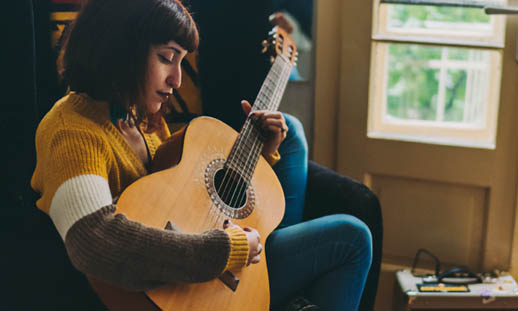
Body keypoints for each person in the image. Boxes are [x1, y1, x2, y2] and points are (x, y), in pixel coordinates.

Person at [31, 0, 372, 310]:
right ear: (121, 49)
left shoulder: (137, 117)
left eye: (182, 61)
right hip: (193, 280)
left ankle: (279, 289)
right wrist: (225, 249)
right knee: (353, 237)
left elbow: (187, 196)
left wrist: (264, 156)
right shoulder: (71, 130)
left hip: (207, 250)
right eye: (166, 58)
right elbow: (94, 242)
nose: (177, 80)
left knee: (290, 133)